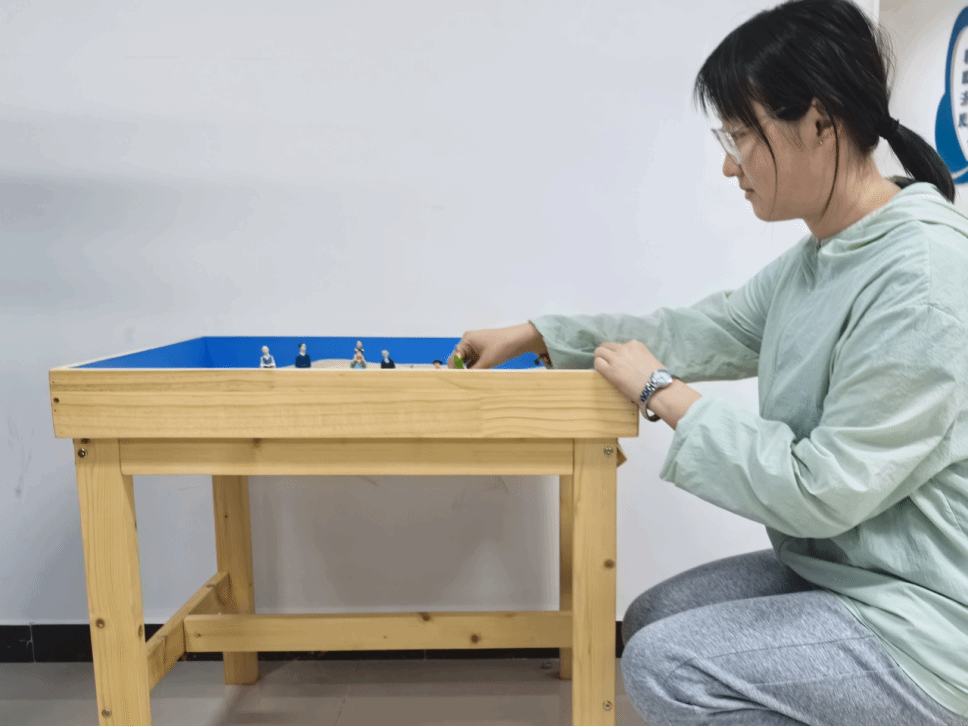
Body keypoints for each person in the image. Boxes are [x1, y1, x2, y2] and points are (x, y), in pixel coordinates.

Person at [450, 0, 968, 723]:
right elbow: (706, 327)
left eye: (740, 136)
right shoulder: (823, 257)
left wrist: (662, 392)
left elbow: (822, 488)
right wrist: (541, 334)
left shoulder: (922, 276)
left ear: (820, 123)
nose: (729, 165)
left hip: (924, 621)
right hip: (846, 571)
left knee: (669, 664)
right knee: (652, 618)